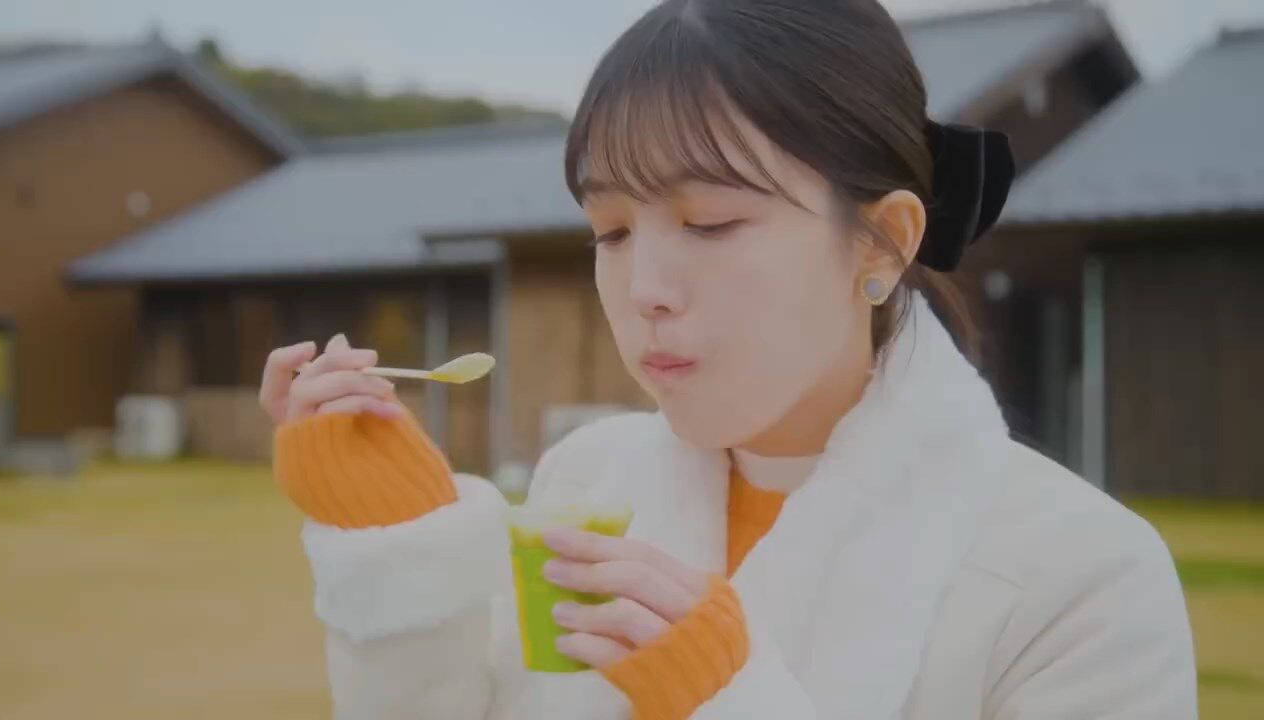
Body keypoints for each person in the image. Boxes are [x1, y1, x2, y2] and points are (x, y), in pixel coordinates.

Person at [258, 1, 1197, 718]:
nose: (645, 288)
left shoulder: (1082, 578)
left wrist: (724, 695)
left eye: (709, 222)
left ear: (881, 240)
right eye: (611, 231)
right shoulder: (585, 485)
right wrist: (398, 541)